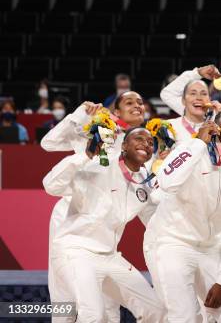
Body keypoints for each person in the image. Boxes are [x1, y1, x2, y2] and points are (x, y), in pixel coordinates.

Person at [41, 92, 148, 323]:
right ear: (115, 112)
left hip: (107, 225)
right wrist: (79, 115)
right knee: (65, 299)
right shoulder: (96, 126)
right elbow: (48, 143)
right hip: (74, 211)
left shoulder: (144, 142)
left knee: (107, 301)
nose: (137, 106)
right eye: (129, 103)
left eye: (140, 102)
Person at [144, 108, 221, 323]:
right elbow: (167, 182)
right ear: (215, 124)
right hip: (170, 242)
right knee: (184, 316)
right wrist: (198, 143)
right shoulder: (191, 149)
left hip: (210, 249)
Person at [159, 65, 221, 142]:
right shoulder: (171, 127)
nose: (199, 98)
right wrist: (198, 73)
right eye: (193, 93)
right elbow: (167, 94)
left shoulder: (218, 121)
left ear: (209, 99)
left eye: (204, 94)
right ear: (183, 100)